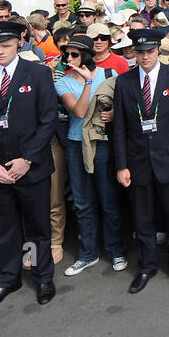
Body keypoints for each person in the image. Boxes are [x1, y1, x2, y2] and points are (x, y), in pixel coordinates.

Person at [0, 21, 59, 310]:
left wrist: (27, 158)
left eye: (6, 45)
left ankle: (42, 277)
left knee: (38, 227)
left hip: (32, 167)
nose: (0, 51)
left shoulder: (38, 73)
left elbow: (48, 120)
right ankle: (7, 278)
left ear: (19, 44)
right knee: (4, 228)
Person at [111, 28, 169, 293]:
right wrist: (121, 165)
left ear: (159, 50)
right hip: (137, 163)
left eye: (150, 51)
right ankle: (146, 266)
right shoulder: (124, 82)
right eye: (140, 52)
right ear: (134, 52)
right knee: (142, 219)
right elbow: (119, 128)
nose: (145, 56)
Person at [56, 35, 125, 276]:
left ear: (87, 55)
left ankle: (116, 250)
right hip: (77, 145)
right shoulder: (63, 82)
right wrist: (86, 83)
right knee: (83, 202)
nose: (69, 58)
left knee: (108, 201)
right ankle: (88, 253)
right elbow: (80, 110)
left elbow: (124, 105)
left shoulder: (109, 75)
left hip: (104, 143)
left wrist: (114, 112)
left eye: (75, 54)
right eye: (67, 54)